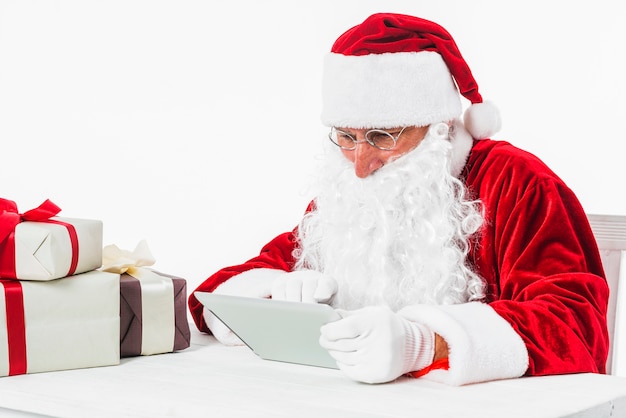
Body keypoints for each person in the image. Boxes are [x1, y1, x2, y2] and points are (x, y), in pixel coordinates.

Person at [188, 12, 609, 386]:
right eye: (347, 137)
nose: (360, 164)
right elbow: (219, 295)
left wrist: (428, 343)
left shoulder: (519, 183)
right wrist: (275, 295)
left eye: (381, 136)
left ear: (438, 125)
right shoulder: (353, 189)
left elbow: (576, 322)